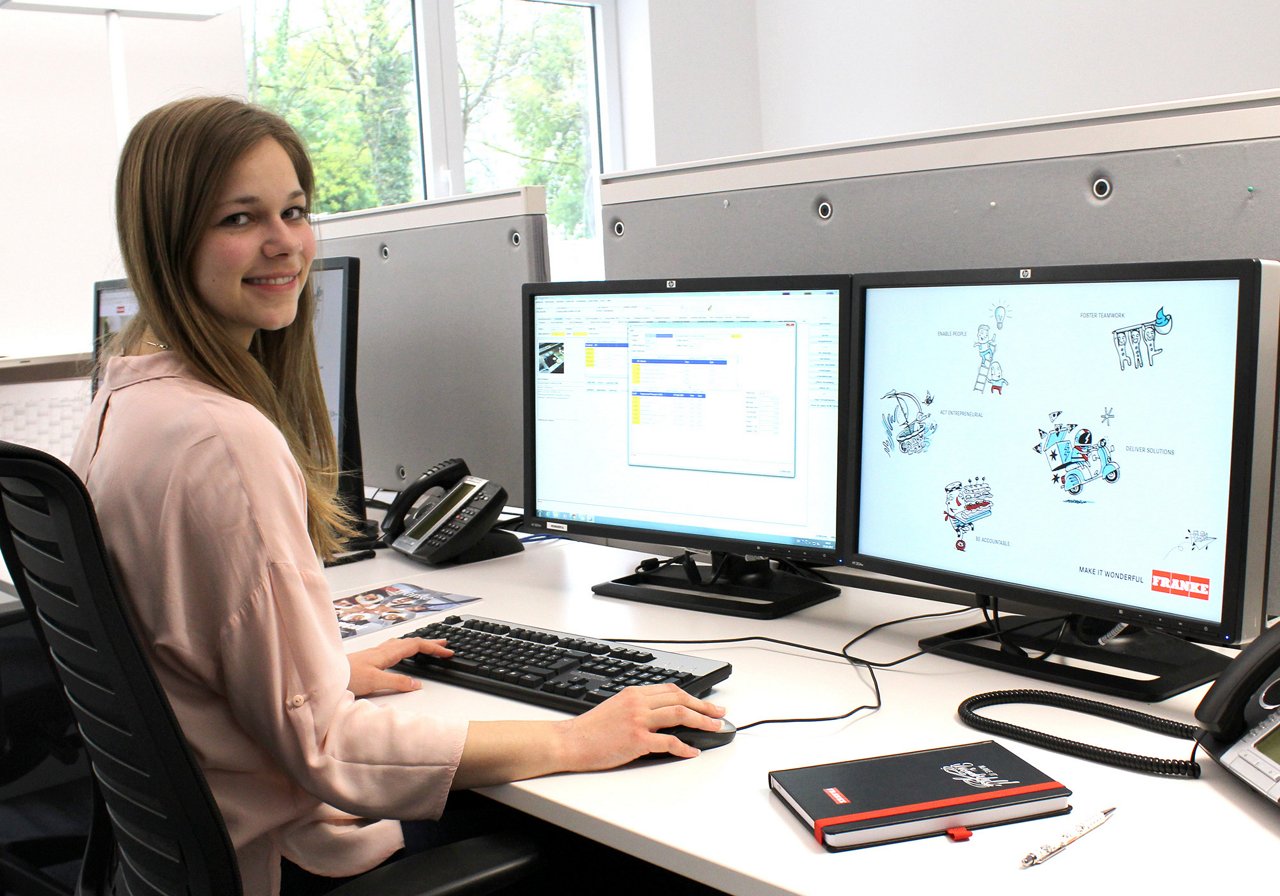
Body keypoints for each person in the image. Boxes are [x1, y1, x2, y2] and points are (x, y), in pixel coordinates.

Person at [71, 96, 727, 896]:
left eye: (295, 210)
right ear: (168, 238)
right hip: (288, 860)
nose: (284, 243)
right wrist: (576, 739)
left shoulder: (124, 399)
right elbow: (332, 749)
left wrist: (318, 668)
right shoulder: (220, 441)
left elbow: (190, 653)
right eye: (239, 218)